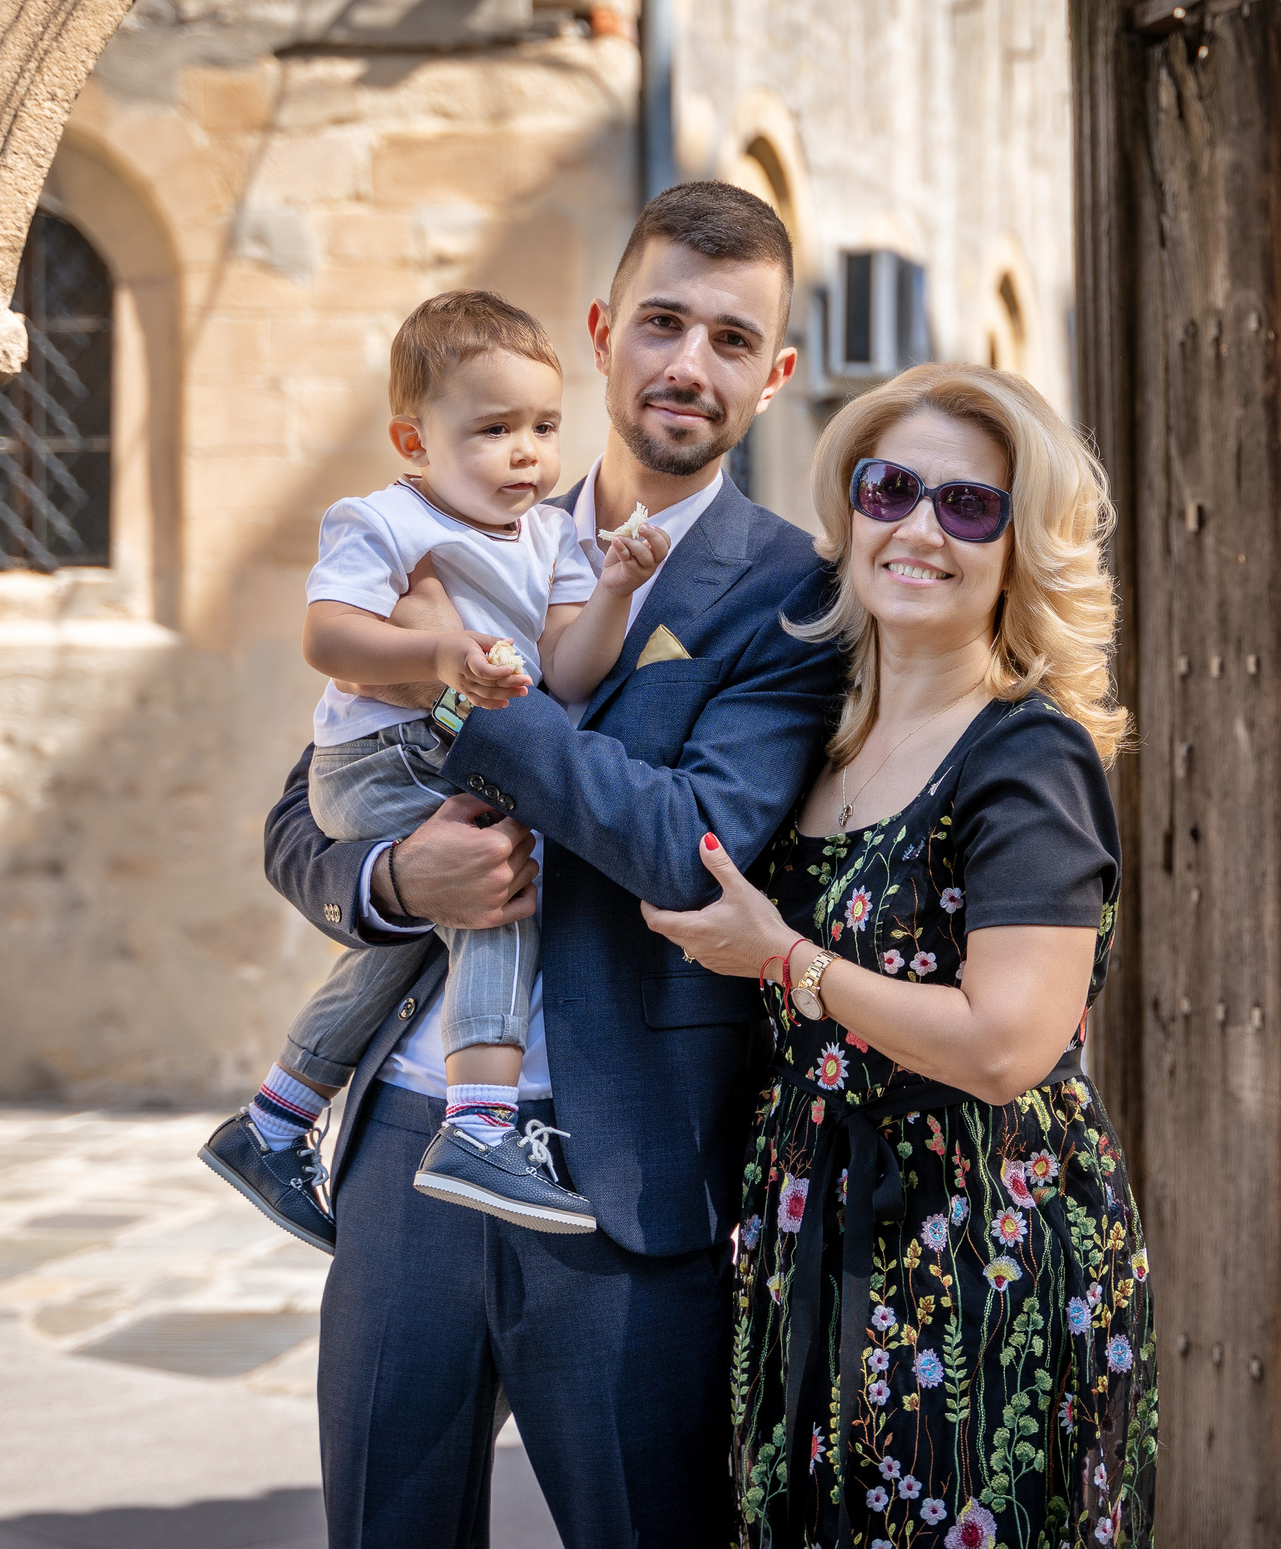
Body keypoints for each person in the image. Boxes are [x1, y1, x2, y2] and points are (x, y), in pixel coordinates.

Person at [259, 181, 844, 1545]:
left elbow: (684, 845)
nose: (688, 364)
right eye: (661, 322)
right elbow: (304, 813)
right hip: (410, 1140)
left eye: (732, 339)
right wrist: (397, 883)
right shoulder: (456, 512)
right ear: (603, 330)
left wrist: (468, 692)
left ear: (778, 375)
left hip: (624, 1163)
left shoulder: (796, 597)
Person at [646, 364, 1158, 1545]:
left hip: (974, 1244)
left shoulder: (1025, 756)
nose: (920, 528)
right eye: (890, 490)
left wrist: (785, 960)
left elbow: (1005, 1044)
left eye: (968, 506)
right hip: (805, 1233)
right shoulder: (816, 731)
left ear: (1017, 546)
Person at [202, 290, 671, 1246]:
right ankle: (479, 1126)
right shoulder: (384, 519)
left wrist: (616, 588)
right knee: (498, 882)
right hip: (378, 757)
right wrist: (439, 655)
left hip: (437, 749)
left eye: (543, 425)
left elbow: (570, 664)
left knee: (425, 926)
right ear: (413, 439)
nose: (528, 452)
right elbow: (328, 636)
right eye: (493, 429)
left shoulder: (552, 537)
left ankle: (276, 1116)